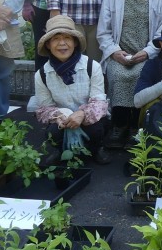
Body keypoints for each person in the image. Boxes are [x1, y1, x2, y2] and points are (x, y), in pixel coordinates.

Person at [96, 0, 162, 148]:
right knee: (118, 75)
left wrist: (147, 52)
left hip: (146, 54)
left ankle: (136, 127)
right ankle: (119, 125)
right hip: (119, 53)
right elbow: (103, 31)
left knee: (140, 76)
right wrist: (114, 52)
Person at [33, 15, 111, 166]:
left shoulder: (92, 66)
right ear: (48, 44)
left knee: (97, 129)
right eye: (56, 39)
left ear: (75, 42)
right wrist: (58, 116)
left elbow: (99, 104)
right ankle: (60, 150)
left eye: (67, 38)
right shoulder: (41, 74)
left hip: (89, 119)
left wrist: (82, 114)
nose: (62, 43)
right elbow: (44, 109)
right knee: (53, 132)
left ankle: (97, 149)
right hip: (63, 121)